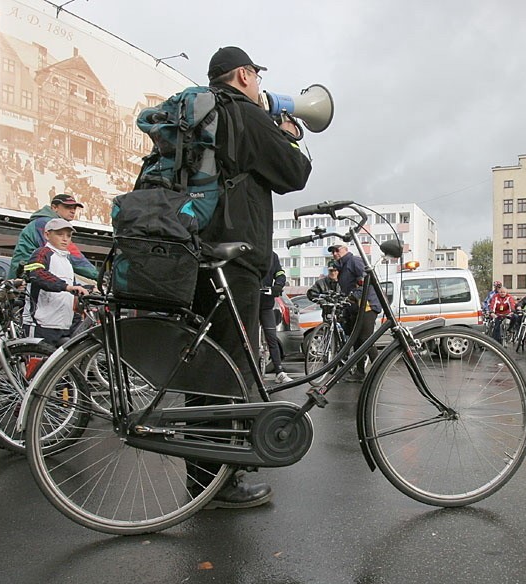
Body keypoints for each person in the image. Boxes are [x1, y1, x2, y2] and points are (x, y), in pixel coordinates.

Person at [190, 47, 312, 508]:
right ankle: (219, 482)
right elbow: (295, 173)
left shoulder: (201, 115)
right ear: (243, 75)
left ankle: (200, 475)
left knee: (202, 366)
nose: (260, 85)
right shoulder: (243, 112)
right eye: (257, 76)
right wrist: (289, 132)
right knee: (230, 366)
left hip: (193, 252)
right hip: (234, 258)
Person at [22, 218, 89, 346]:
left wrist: (90, 289)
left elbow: (73, 288)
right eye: (60, 234)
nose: (65, 239)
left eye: (68, 236)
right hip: (40, 324)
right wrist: (66, 287)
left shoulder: (66, 260)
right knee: (35, 365)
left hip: (63, 325)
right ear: (47, 235)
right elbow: (37, 274)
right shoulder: (42, 253)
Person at [9, 193, 98, 281]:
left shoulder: (46, 222)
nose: (73, 211)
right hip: (25, 280)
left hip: (31, 276)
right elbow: (72, 254)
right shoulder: (46, 223)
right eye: (68, 207)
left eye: (74, 208)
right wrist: (98, 275)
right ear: (54, 208)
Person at [329, 244, 381, 381]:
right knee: (356, 340)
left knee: (365, 339)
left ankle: (378, 370)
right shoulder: (341, 267)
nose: (335, 253)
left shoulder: (354, 261)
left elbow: (367, 280)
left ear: (346, 250)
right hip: (355, 307)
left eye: (337, 250)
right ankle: (360, 373)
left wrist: (354, 295)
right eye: (333, 251)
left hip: (367, 305)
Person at [259, 252, 293, 383]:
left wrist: (278, 285)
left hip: (266, 303)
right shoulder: (250, 252)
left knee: (272, 337)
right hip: (250, 302)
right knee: (248, 337)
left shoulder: (272, 256)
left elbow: (279, 272)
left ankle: (279, 371)